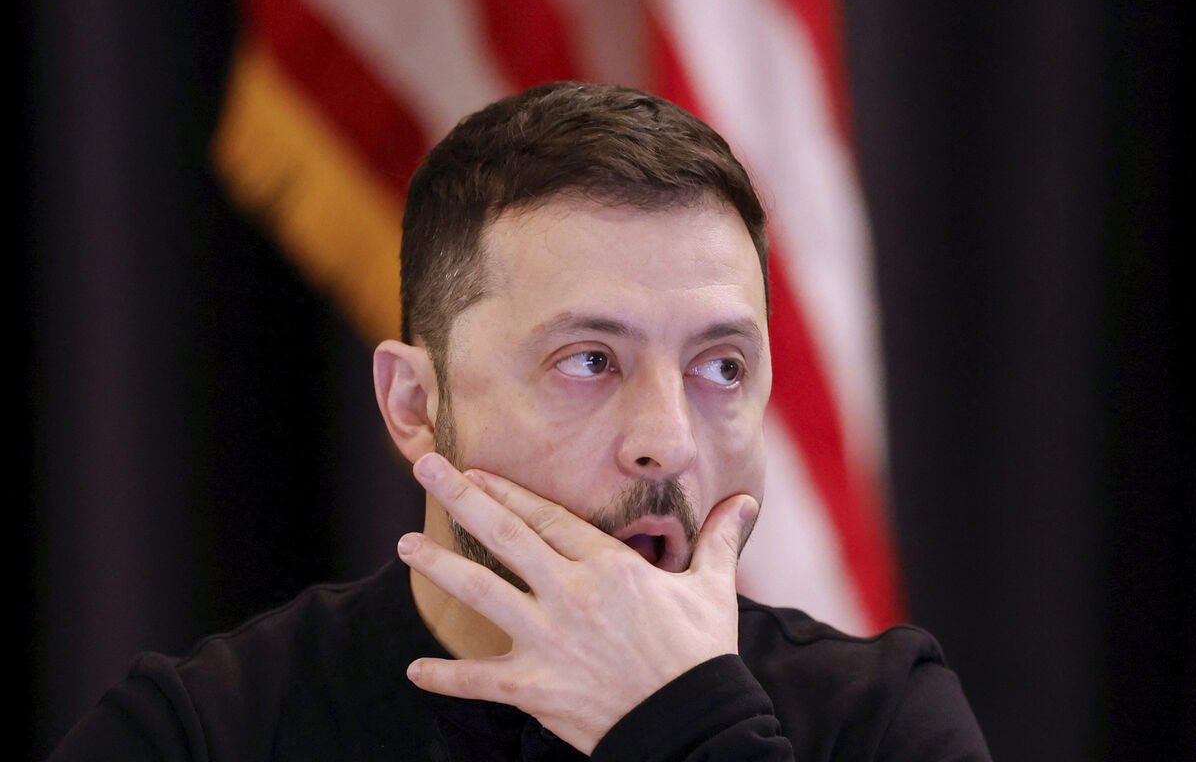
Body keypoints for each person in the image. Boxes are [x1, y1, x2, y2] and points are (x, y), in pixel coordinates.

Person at [49, 81, 991, 760]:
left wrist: (690, 730)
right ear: (414, 405)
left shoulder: (880, 723)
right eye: (589, 361)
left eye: (721, 367)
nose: (667, 440)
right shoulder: (200, 734)